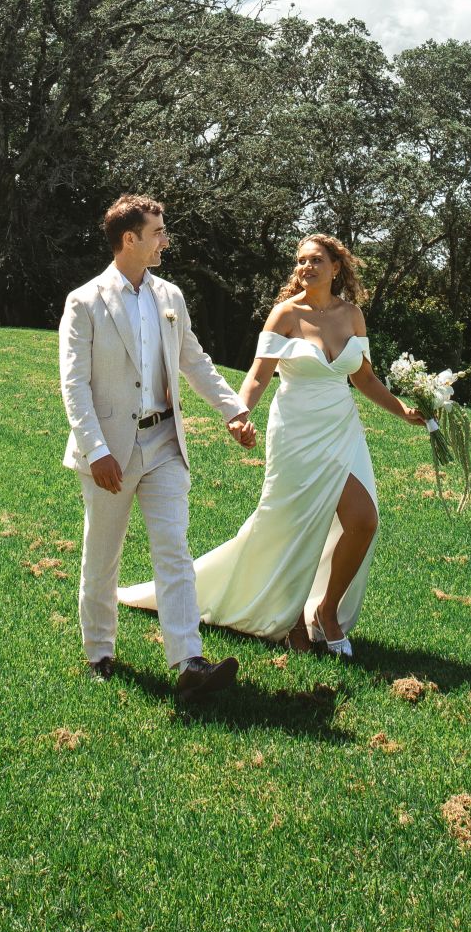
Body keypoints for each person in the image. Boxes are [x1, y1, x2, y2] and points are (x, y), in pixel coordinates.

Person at [119, 233, 425, 657]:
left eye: (316, 260)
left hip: (341, 430)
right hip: (295, 432)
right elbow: (259, 375)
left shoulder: (352, 315)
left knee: (364, 520)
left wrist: (403, 410)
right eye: (301, 261)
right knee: (289, 525)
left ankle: (327, 611)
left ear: (336, 267)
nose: (306, 267)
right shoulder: (285, 314)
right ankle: (291, 619)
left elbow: (364, 377)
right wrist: (239, 413)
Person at [60, 194, 257, 701]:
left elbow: (194, 359)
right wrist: (96, 451)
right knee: (103, 556)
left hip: (165, 442)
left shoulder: (170, 296)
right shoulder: (84, 301)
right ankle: (99, 653)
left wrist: (233, 410)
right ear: (130, 239)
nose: (165, 241)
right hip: (109, 453)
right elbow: (74, 385)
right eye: (158, 232)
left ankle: (189, 660)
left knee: (173, 548)